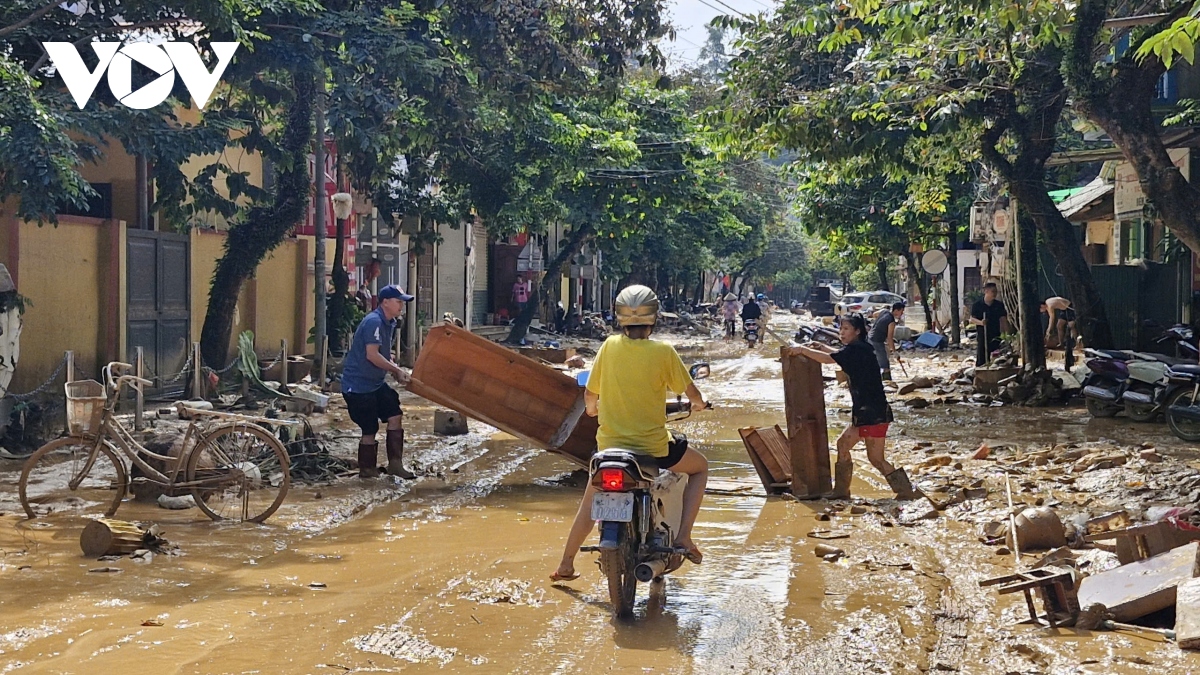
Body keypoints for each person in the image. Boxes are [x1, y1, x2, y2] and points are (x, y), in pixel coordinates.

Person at [550, 285, 709, 582]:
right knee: (700, 468)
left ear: (619, 317)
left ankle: (566, 564)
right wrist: (699, 405)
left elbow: (590, 395)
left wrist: (593, 411)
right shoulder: (664, 352)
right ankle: (685, 536)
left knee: (589, 503)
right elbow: (692, 393)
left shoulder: (608, 347)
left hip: (609, 448)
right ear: (655, 318)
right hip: (653, 449)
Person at [793, 314, 919, 500]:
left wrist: (802, 350)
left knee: (868, 456)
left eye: (845, 329)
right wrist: (821, 347)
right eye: (840, 328)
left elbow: (829, 360)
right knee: (852, 448)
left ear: (857, 331)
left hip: (872, 413)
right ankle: (844, 492)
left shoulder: (856, 350)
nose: (841, 332)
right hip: (870, 412)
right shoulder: (860, 348)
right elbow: (837, 356)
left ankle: (904, 491)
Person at [340, 284, 417, 480]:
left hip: (375, 383)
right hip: (358, 386)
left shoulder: (388, 322)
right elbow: (372, 356)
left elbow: (382, 355)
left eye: (402, 302)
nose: (401, 306)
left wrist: (395, 370)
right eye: (398, 302)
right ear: (385, 302)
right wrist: (396, 370)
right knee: (369, 429)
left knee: (395, 415)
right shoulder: (374, 322)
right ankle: (367, 471)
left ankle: (395, 465)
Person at [969, 282, 1009, 366]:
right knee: (982, 357)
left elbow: (1003, 319)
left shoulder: (999, 305)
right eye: (993, 291)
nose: (995, 294)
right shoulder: (977, 305)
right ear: (986, 291)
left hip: (995, 335)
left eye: (996, 291)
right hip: (983, 335)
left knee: (996, 358)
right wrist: (980, 322)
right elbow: (972, 319)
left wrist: (1007, 334)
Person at [869, 302, 905, 381]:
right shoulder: (891, 322)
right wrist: (895, 352)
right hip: (877, 341)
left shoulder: (884, 311)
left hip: (869, 338)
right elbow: (890, 338)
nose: (901, 314)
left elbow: (875, 314)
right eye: (901, 311)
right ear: (896, 310)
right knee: (885, 364)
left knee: (874, 361)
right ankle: (887, 383)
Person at [1044, 296, 1077, 369]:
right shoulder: (1048, 302)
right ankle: (1061, 343)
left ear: (1042, 306)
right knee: (1059, 325)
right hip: (1063, 310)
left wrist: (1049, 330)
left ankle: (1076, 343)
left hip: (1069, 307)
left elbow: (1052, 318)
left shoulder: (1049, 305)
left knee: (1071, 326)